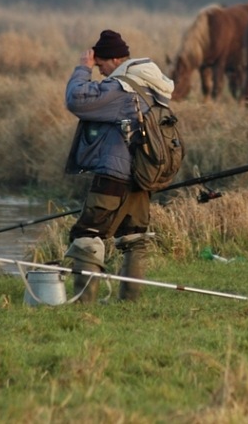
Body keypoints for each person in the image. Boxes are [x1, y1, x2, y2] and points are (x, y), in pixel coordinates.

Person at [63, 29, 175, 303]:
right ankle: (130, 303)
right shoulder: (151, 85)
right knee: (134, 238)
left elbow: (76, 99)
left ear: (113, 59)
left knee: (87, 236)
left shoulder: (121, 88)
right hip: (140, 176)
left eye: (100, 64)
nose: (99, 71)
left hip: (114, 175)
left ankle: (83, 304)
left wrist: (82, 68)